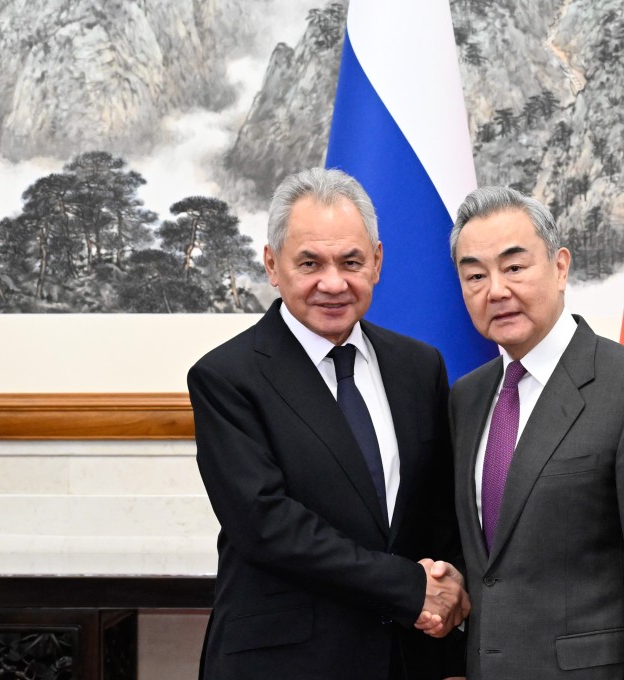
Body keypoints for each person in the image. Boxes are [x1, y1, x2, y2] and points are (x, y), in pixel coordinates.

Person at [189, 167, 468, 680]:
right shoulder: (227, 378)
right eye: (310, 263)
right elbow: (267, 526)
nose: (333, 283)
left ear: (378, 262)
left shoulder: (419, 367)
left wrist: (450, 593)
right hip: (285, 662)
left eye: (351, 261)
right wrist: (409, 587)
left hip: (405, 658)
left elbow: (436, 513)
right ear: (272, 265)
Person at [447, 186, 624, 679]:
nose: (496, 290)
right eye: (475, 275)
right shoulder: (468, 398)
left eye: (515, 267)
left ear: (561, 267)